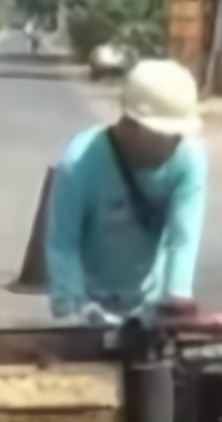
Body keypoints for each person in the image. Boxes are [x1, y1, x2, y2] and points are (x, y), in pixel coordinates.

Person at [45, 58, 208, 325]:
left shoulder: (189, 159)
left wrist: (176, 305)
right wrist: (74, 306)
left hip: (150, 302)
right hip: (90, 301)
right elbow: (64, 242)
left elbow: (183, 239)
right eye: (164, 134)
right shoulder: (81, 161)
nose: (174, 143)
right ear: (132, 123)